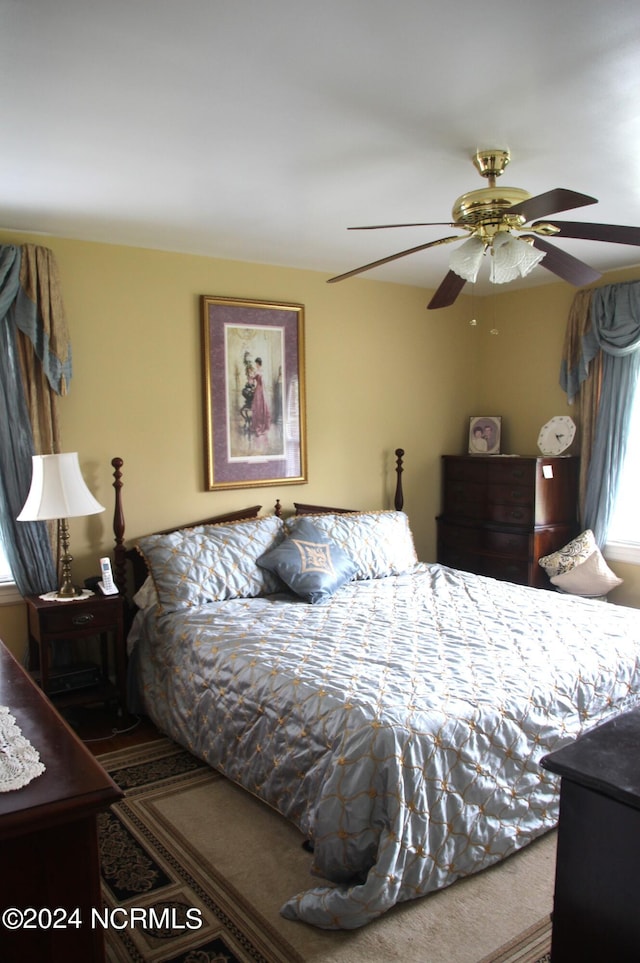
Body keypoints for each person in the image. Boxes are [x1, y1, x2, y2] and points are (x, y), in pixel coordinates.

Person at [250, 357, 271, 435]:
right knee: (257, 407)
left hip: (261, 389)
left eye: (256, 363)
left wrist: (257, 377)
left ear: (258, 363)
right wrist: (251, 376)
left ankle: (261, 426)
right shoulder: (257, 371)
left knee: (261, 406)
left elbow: (263, 382)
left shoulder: (261, 371)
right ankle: (257, 425)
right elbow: (252, 379)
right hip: (258, 389)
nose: (256, 365)